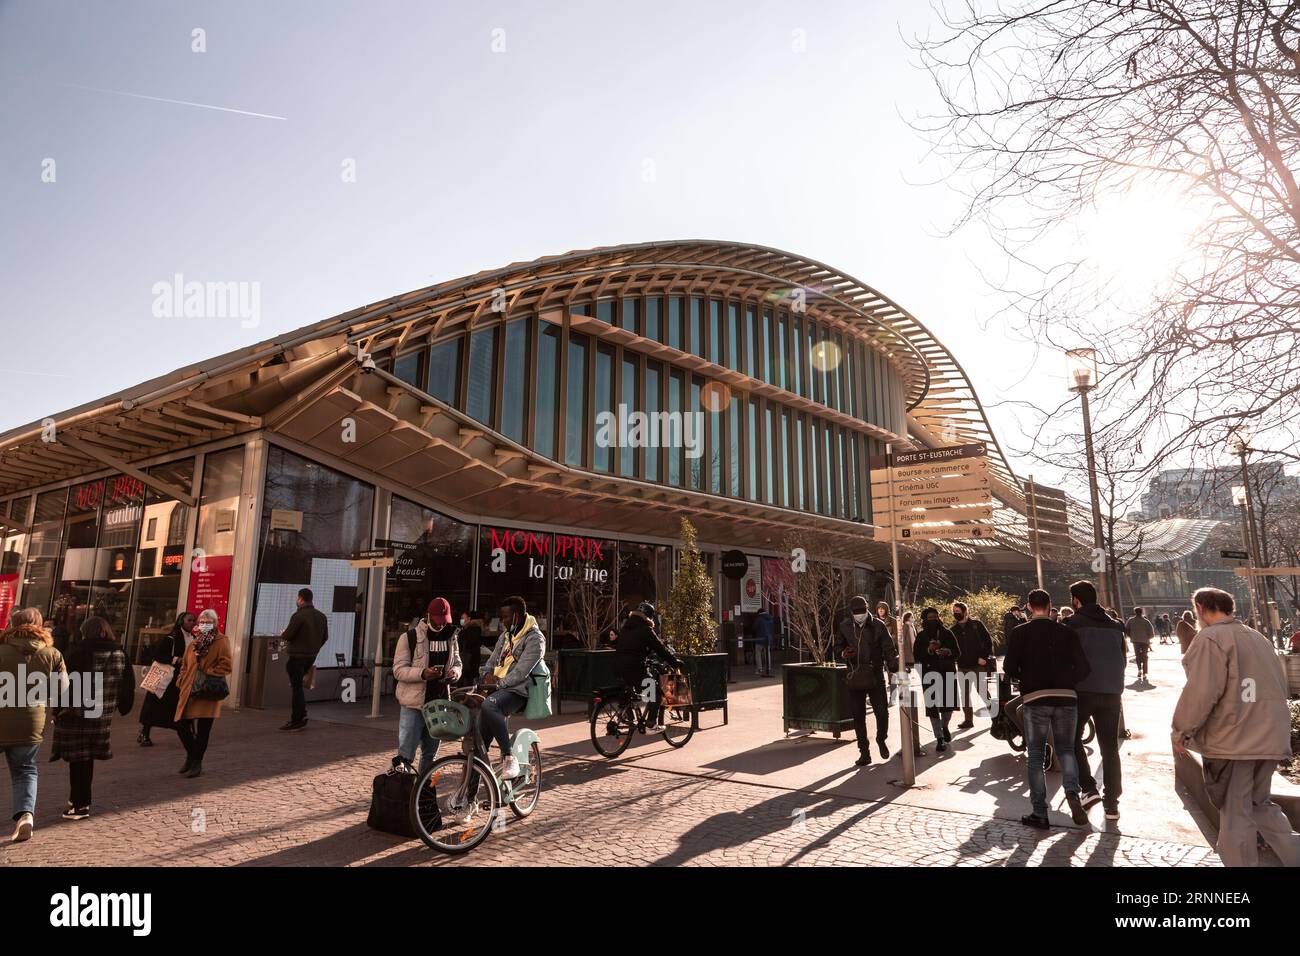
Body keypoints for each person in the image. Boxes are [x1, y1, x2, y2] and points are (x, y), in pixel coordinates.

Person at [1172, 587, 1300, 867]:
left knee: (1236, 812)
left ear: (1202, 608)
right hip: (1269, 735)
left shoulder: (1211, 638)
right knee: (1259, 804)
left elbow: (1201, 691)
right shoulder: (1257, 637)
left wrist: (1182, 731)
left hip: (1234, 739)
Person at [1003, 589, 1091, 829]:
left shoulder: (1019, 633)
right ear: (1050, 604)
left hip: (1035, 698)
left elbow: (1009, 667)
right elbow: (1084, 668)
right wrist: (1068, 681)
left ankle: (1040, 812)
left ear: (1029, 607)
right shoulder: (1067, 632)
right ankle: (1072, 792)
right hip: (1066, 697)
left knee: (1036, 756)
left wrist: (1027, 677)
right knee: (1066, 750)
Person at [50, 617, 135, 820]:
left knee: (78, 760)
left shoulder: (78, 651)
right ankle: (78, 799)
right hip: (101, 714)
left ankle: (80, 804)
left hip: (77, 713)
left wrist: (59, 709)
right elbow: (127, 684)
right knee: (86, 759)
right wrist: (120, 706)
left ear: (85, 631)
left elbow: (64, 683)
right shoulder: (119, 653)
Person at [0, 608, 66, 842]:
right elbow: (62, 689)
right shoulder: (52, 653)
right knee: (25, 770)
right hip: (31, 720)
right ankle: (25, 815)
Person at [1065, 580, 1127, 821]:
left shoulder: (1071, 624)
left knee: (1071, 740)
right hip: (1112, 692)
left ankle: (1089, 788)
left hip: (1082, 691)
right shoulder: (1116, 625)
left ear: (1076, 600)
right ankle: (1112, 804)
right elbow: (1122, 658)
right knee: (1110, 748)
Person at [393, 598, 463, 775]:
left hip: (438, 705)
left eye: (443, 622)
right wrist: (423, 673)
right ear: (428, 616)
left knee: (430, 755)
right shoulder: (409, 637)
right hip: (413, 704)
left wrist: (455, 672)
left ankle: (423, 795)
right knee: (405, 756)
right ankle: (404, 792)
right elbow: (399, 670)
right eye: (436, 621)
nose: (440, 626)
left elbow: (457, 662)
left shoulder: (451, 636)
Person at [480, 596, 545, 780]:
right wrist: (485, 676)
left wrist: (497, 683)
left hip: (517, 691)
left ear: (516, 616)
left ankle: (509, 757)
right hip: (497, 689)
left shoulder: (535, 639)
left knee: (490, 705)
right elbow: (492, 662)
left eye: (506, 617)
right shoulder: (505, 635)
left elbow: (521, 673)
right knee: (479, 747)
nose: (502, 621)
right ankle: (468, 797)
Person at [836, 595, 898, 765]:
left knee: (882, 712)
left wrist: (894, 664)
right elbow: (837, 647)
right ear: (851, 612)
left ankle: (881, 739)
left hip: (875, 675)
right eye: (856, 612)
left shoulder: (878, 625)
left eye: (862, 611)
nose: (859, 614)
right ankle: (864, 752)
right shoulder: (845, 626)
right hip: (855, 675)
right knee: (858, 716)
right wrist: (843, 653)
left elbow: (889, 648)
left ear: (867, 609)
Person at [172, 608, 234, 779]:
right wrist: (181, 679)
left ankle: (196, 762)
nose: (204, 625)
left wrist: (208, 671)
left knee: (203, 730)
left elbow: (227, 665)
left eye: (208, 622)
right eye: (202, 622)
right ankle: (192, 755)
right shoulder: (194, 641)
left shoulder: (221, 641)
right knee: (181, 725)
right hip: (189, 690)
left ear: (215, 623)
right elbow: (185, 664)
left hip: (207, 691)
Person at [613, 601, 683, 732]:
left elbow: (632, 647)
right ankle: (651, 725)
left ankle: (626, 714)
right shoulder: (645, 629)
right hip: (634, 667)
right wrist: (674, 662)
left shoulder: (626, 627)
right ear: (649, 617)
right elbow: (659, 648)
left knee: (634, 692)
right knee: (655, 693)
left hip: (618, 666)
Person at [137, 611, 194, 747]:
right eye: (190, 620)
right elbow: (158, 655)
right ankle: (144, 732)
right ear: (181, 622)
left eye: (194, 620)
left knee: (178, 706)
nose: (193, 623)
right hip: (164, 676)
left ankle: (188, 734)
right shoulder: (171, 637)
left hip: (180, 678)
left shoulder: (193, 637)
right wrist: (176, 659)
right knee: (153, 705)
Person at [279, 587, 328, 731]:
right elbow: (325, 637)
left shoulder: (298, 616)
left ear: (300, 599)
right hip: (310, 657)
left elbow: (288, 635)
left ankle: (297, 719)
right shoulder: (321, 616)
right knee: (298, 687)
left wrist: (283, 633)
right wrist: (315, 648)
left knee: (297, 689)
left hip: (296, 657)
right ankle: (301, 713)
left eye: (297, 598)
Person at [913, 607, 960, 752]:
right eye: (930, 618)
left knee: (948, 705)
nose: (933, 620)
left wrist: (947, 651)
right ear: (924, 620)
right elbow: (916, 655)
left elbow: (958, 652)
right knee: (933, 707)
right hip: (929, 674)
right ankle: (939, 738)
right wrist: (929, 650)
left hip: (947, 672)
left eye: (935, 617)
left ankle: (944, 726)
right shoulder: (921, 636)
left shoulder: (947, 633)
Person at [951, 601, 994, 730]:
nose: (955, 614)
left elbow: (988, 641)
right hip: (962, 666)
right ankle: (968, 720)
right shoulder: (953, 630)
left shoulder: (977, 625)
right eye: (954, 612)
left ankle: (995, 717)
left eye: (958, 612)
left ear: (964, 612)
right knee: (964, 694)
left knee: (982, 692)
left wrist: (983, 657)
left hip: (977, 665)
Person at [456, 609, 485, 688]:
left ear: (469, 619)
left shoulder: (474, 629)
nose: (462, 620)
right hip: (467, 660)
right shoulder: (463, 630)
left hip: (470, 660)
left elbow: (468, 642)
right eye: (461, 618)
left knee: (468, 682)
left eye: (463, 618)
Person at [1125, 607, 1155, 683]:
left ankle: (1139, 670)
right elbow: (1151, 632)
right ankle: (1144, 672)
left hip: (1135, 641)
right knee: (1145, 656)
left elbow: (1126, 630)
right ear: (1141, 612)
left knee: (1137, 656)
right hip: (1145, 641)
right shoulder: (1146, 621)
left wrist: (1131, 636)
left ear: (1135, 612)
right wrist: (1148, 637)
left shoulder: (1131, 620)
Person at [752, 605, 775, 677]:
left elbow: (754, 628)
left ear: (759, 613)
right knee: (767, 653)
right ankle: (768, 668)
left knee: (758, 653)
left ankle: (760, 669)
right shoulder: (770, 618)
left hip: (760, 639)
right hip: (768, 638)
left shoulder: (759, 619)